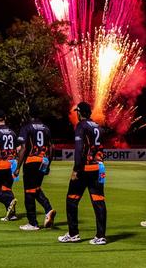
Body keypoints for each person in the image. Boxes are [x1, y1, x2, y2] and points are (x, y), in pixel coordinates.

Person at [58, 102, 107, 245]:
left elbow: (79, 150)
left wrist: (76, 170)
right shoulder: (97, 126)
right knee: (99, 201)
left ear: (80, 112)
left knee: (71, 199)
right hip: (98, 167)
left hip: (85, 168)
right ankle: (101, 236)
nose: (76, 114)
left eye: (77, 111)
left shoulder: (81, 126)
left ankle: (73, 234)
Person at [15, 107, 56, 231]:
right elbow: (52, 147)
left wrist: (17, 167)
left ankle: (33, 223)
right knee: (36, 189)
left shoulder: (26, 127)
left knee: (29, 192)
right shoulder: (46, 128)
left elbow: (23, 148)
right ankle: (48, 209)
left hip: (31, 162)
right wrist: (48, 164)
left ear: (29, 115)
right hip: (43, 161)